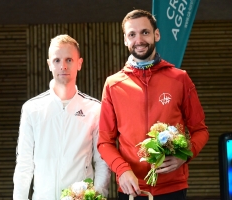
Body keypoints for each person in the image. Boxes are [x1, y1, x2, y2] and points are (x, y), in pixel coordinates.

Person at [97, 9, 209, 200]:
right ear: (125, 40)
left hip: (173, 188)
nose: (139, 39)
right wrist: (122, 170)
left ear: (156, 34)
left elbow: (200, 130)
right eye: (132, 34)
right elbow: (104, 142)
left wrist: (185, 154)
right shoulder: (113, 85)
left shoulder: (180, 79)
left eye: (145, 32)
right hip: (132, 188)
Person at [13, 34, 110, 200]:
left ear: (79, 63)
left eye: (69, 60)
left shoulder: (95, 109)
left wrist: (96, 195)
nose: (63, 66)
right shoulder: (32, 109)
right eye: (57, 60)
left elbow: (102, 161)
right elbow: (24, 163)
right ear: (49, 64)